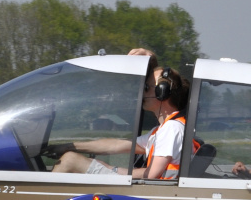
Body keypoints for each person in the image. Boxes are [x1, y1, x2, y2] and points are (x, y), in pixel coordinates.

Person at [52, 65, 190, 179]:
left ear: (162, 93)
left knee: (70, 160)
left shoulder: (171, 129)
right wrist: (72, 146)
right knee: (78, 157)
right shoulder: (162, 130)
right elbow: (117, 145)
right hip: (150, 192)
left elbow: (152, 175)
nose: (142, 93)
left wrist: (114, 170)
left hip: (150, 194)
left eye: (147, 88)